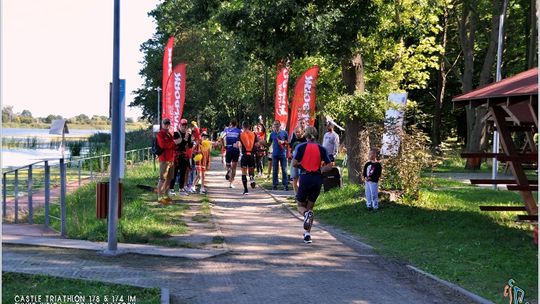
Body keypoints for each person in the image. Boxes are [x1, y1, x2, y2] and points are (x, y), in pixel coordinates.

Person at [291, 126, 332, 243]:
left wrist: (302, 166)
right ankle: (307, 235)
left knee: (300, 205)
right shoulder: (322, 149)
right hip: (317, 179)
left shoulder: (301, 147)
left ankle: (305, 215)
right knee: (310, 208)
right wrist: (320, 170)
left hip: (305, 177)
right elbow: (330, 166)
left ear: (306, 135)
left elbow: (294, 163)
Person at [156, 118, 181, 205]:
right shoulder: (160, 134)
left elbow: (173, 146)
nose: (167, 125)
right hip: (164, 159)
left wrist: (178, 143)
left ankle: (166, 195)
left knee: (169, 178)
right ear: (162, 124)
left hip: (171, 159)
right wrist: (174, 143)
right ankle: (159, 197)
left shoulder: (169, 134)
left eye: (168, 124)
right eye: (165, 123)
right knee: (162, 179)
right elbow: (163, 145)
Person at [170, 118, 192, 195]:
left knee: (183, 172)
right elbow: (177, 143)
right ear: (179, 125)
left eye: (185, 125)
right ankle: (171, 189)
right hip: (176, 155)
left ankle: (181, 188)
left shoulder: (188, 134)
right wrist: (184, 140)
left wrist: (190, 141)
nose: (184, 127)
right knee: (174, 172)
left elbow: (189, 145)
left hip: (184, 155)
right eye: (183, 125)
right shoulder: (176, 133)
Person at [238, 121, 258, 195]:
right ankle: (252, 178)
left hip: (244, 155)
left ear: (242, 127)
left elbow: (238, 144)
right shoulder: (254, 134)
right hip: (251, 155)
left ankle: (246, 190)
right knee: (251, 169)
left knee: (243, 172)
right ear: (249, 127)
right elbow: (256, 144)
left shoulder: (240, 134)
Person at [269, 120, 289, 190]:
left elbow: (288, 142)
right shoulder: (272, 134)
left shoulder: (284, 133)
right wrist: (263, 144)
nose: (276, 126)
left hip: (283, 154)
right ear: (273, 126)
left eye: (277, 124)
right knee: (275, 170)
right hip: (274, 154)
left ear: (280, 125)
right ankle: (274, 185)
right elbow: (269, 143)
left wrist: (283, 142)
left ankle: (285, 185)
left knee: (284, 170)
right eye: (275, 124)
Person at [223, 120, 242, 188]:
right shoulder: (239, 131)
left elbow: (223, 138)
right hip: (235, 150)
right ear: (236, 124)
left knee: (228, 165)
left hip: (228, 149)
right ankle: (231, 183)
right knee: (234, 167)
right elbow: (240, 141)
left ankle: (228, 169)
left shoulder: (226, 130)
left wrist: (224, 146)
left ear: (230, 124)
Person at [289, 126, 306, 194]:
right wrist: (290, 153)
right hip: (294, 160)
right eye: (296, 132)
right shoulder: (293, 139)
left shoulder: (305, 139)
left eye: (298, 132)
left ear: (301, 132)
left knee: (301, 177)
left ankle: (301, 193)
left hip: (302, 161)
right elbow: (291, 148)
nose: (297, 134)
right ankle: (296, 194)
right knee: (294, 177)